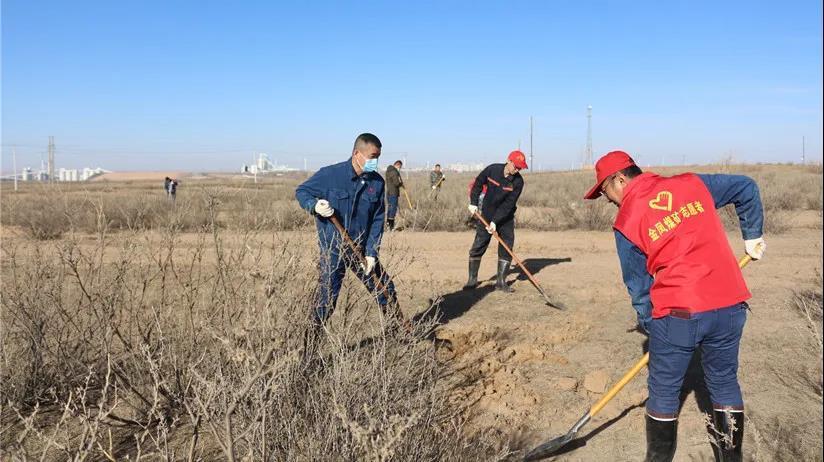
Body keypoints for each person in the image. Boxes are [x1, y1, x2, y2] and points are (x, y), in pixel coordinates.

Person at [584, 150, 765, 462]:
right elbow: (746, 187)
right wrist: (753, 236)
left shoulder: (626, 221)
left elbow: (639, 287)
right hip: (730, 302)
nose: (606, 198)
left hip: (679, 311)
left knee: (665, 390)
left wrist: (653, 326)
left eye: (604, 190)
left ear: (620, 179)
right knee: (723, 382)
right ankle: (731, 458)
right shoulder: (691, 184)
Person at [295, 133, 398, 326]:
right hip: (333, 249)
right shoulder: (330, 175)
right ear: (357, 153)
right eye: (372, 157)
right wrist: (314, 206)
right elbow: (302, 191)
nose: (375, 162)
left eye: (378, 157)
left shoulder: (377, 183)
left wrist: (371, 253)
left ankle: (398, 333)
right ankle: (309, 350)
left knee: (385, 290)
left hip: (361, 249)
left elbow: (377, 220)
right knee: (325, 302)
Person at [463, 150, 527, 292]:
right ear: (508, 161)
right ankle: (472, 280)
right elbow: (478, 183)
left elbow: (508, 205)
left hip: (506, 218)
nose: (517, 169)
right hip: (486, 214)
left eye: (520, 167)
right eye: (516, 166)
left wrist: (495, 222)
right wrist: (473, 203)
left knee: (506, 246)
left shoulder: (518, 182)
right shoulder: (492, 170)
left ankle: (501, 282)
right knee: (479, 244)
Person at [384, 160, 404, 230]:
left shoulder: (388, 171)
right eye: (400, 167)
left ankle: (388, 224)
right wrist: (401, 184)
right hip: (393, 193)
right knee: (393, 209)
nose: (400, 168)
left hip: (389, 192)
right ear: (398, 165)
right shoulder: (394, 172)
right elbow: (396, 183)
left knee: (390, 208)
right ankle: (390, 226)